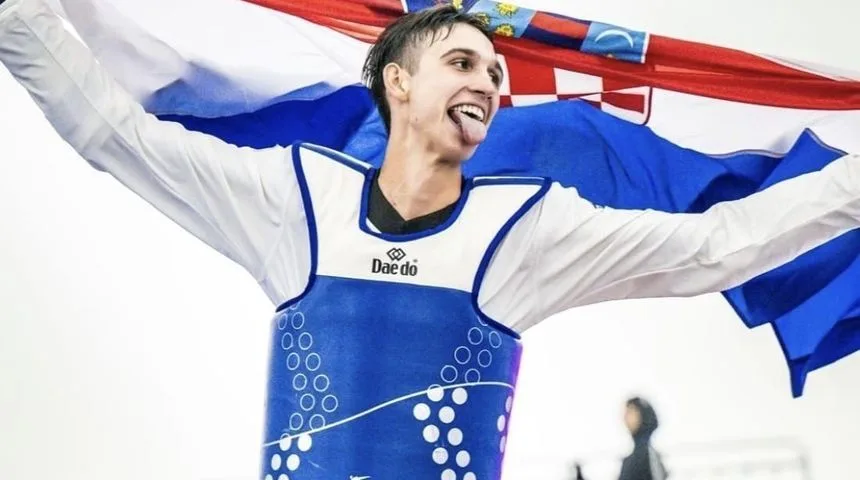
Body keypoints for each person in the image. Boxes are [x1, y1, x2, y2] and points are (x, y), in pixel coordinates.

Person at [1, 0, 859, 478]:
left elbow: (716, 246)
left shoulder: (522, 230)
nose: (488, 83)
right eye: (463, 63)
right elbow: (114, 133)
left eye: (496, 72)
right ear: (398, 83)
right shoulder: (297, 200)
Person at [573, 397, 668, 480]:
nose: (625, 417)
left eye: (630, 412)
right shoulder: (632, 458)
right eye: (625, 413)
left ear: (643, 414)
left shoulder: (647, 454)